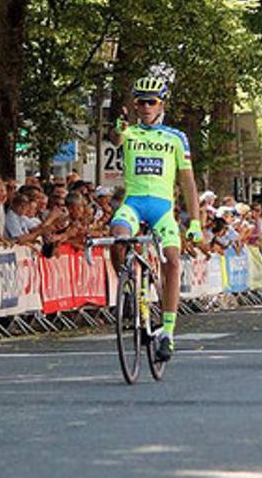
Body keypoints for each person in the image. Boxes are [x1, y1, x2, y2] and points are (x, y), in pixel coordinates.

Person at [107, 75, 203, 362]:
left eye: (152, 102)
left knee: (172, 260)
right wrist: (118, 128)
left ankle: (168, 333)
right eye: (141, 102)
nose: (146, 106)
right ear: (134, 105)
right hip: (133, 204)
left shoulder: (176, 138)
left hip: (162, 209)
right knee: (118, 236)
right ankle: (128, 288)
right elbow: (116, 137)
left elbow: (188, 183)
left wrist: (196, 222)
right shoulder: (130, 132)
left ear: (161, 104)